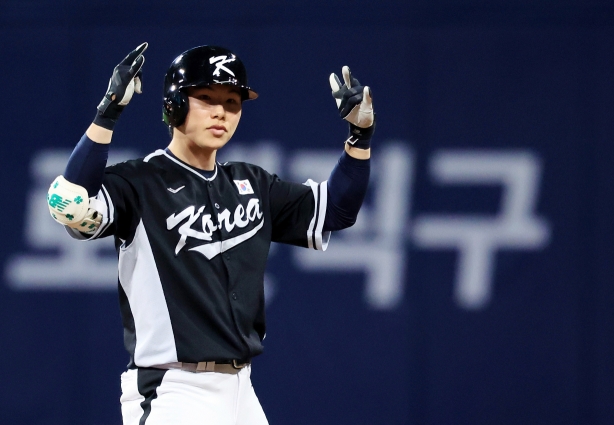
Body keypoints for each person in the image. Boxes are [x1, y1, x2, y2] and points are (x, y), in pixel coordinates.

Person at [46, 42, 374, 425]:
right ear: (174, 104)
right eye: (205, 97)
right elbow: (68, 203)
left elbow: (335, 210)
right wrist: (107, 114)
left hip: (241, 390)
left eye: (232, 102)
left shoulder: (252, 183)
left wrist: (360, 136)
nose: (221, 111)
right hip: (173, 389)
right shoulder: (139, 182)